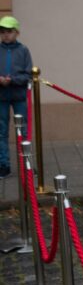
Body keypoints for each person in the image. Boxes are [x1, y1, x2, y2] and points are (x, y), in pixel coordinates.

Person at [0, 16, 32, 179]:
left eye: (9, 32)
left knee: (23, 130)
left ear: (17, 32)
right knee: (1, 131)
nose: (5, 35)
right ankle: (4, 165)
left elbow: (28, 75)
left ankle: (25, 164)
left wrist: (13, 80)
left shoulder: (23, 50)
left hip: (18, 96)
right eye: (3, 32)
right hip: (2, 97)